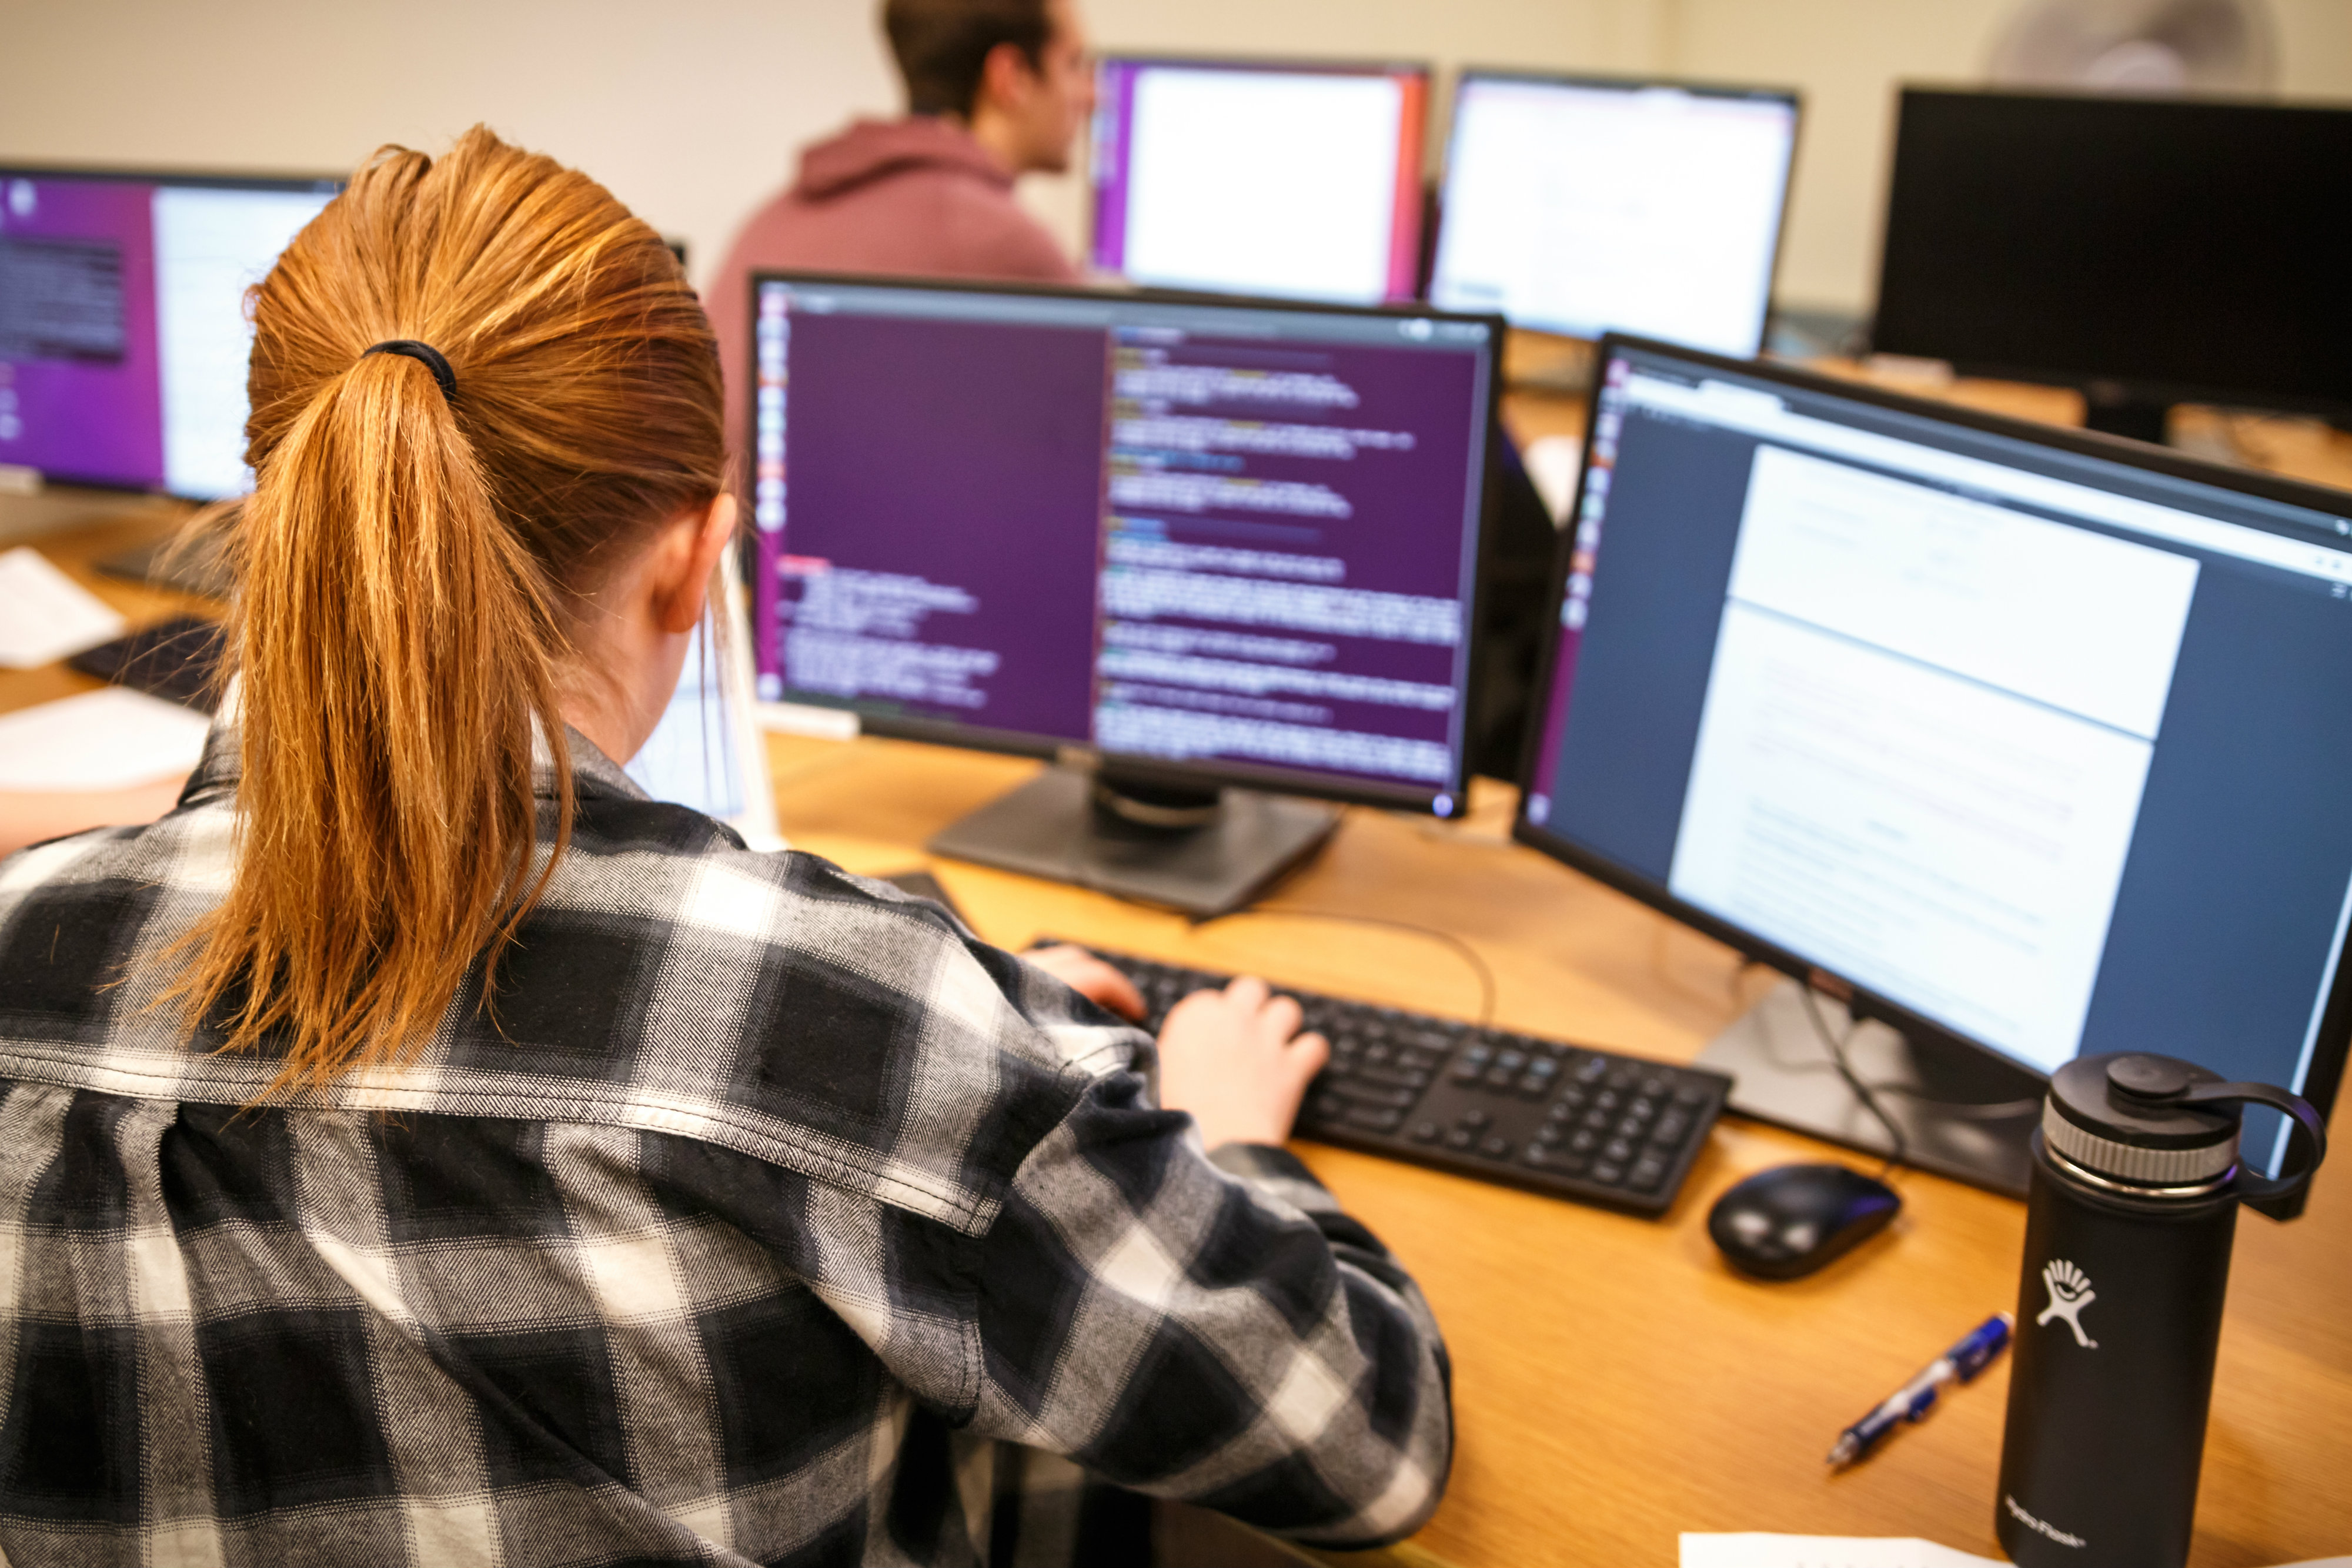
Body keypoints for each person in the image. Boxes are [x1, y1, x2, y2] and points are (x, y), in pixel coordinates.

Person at [0, 128, 1451, 1566]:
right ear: (699, 560)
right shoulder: (849, 1023)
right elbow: (1366, 1447)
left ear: (281, 521)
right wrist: (1202, 1123)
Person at [707, 0, 1093, 469]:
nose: (1095, 96)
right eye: (1075, 65)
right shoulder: (1005, 242)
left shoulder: (777, 211)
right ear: (1011, 75)